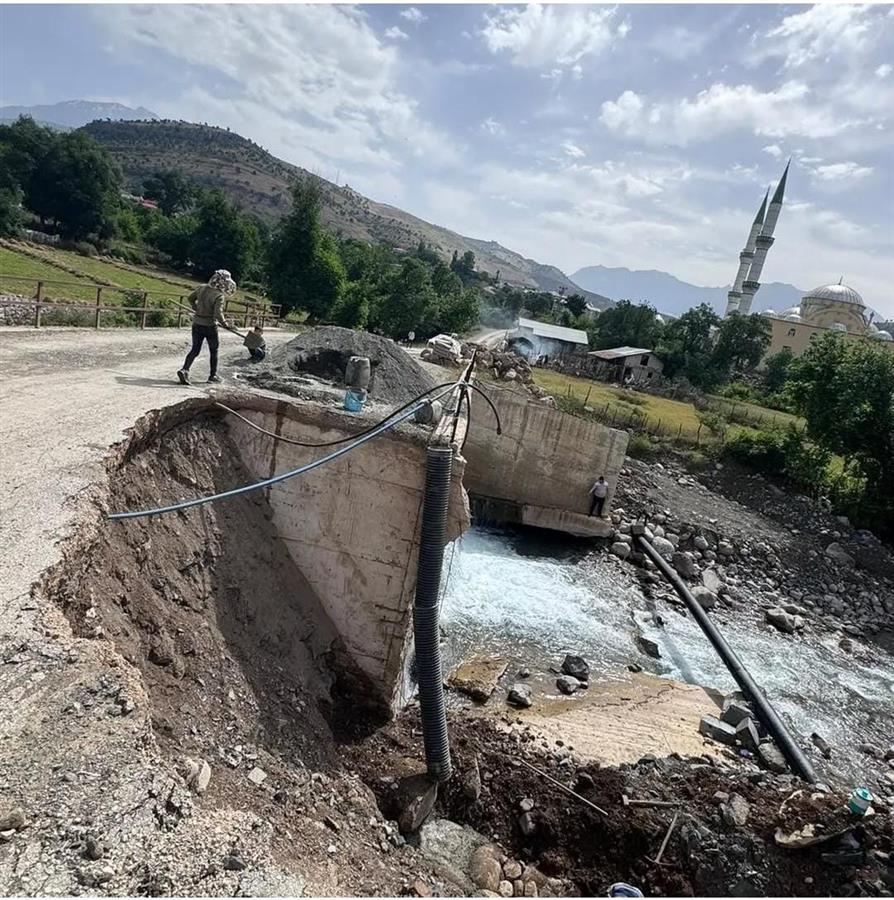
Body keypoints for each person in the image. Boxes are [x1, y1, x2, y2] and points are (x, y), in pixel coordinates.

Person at [177, 269, 236, 385]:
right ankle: (212, 376)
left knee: (195, 349)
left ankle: (184, 370)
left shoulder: (202, 288)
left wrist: (196, 308)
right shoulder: (219, 295)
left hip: (197, 324)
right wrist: (226, 324)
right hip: (210, 326)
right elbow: (218, 314)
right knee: (214, 351)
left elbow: (190, 298)